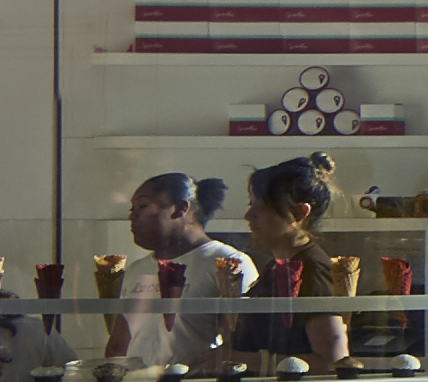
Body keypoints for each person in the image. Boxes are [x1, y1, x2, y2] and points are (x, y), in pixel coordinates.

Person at [121, 175, 254, 370]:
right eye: (133, 209)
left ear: (180, 208)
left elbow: (239, 344)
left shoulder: (227, 262)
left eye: (143, 207)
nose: (132, 216)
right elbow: (119, 342)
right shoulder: (136, 270)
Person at [237, 154, 348, 370]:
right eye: (251, 204)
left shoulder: (312, 270)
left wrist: (244, 361)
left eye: (261, 207)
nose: (249, 215)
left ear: (299, 212)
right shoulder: (277, 266)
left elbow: (331, 361)